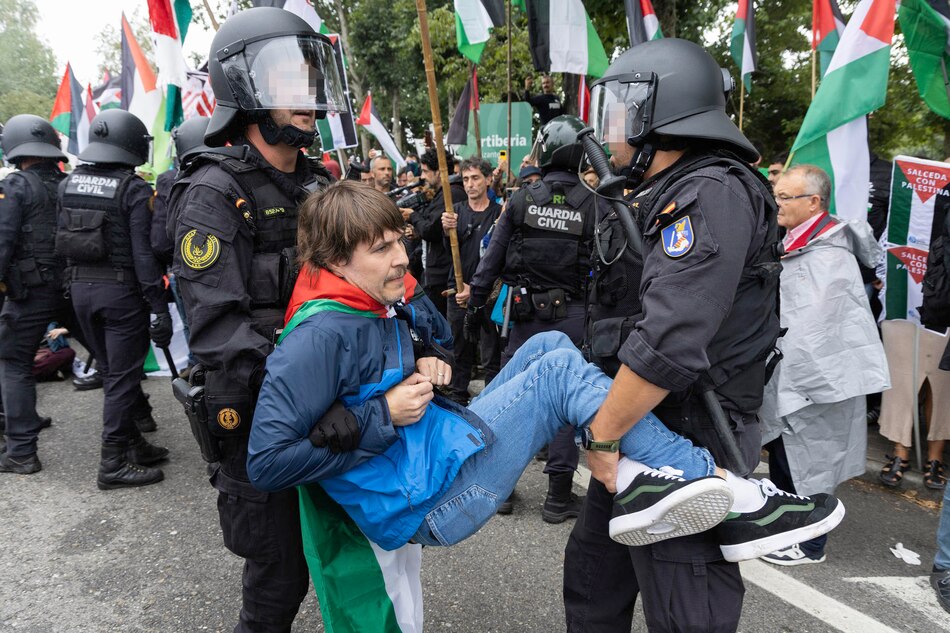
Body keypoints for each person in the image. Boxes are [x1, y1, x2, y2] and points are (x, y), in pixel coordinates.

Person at [246, 181, 843, 561]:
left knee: (551, 344)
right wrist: (381, 414)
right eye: (381, 249)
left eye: (399, 240)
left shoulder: (377, 297)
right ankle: (731, 493)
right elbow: (266, 463)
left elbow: (443, 346)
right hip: (428, 502)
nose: (403, 256)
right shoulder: (319, 335)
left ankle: (635, 478)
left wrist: (436, 359)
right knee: (558, 377)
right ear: (332, 260)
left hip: (433, 455)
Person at [562, 38, 801, 633]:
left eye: (620, 113)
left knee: (684, 601)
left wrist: (603, 433)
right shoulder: (666, 193)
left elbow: (671, 338)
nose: (609, 130)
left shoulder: (711, 191)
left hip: (689, 429)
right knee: (593, 582)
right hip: (645, 421)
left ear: (657, 118)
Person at [165, 7, 340, 631]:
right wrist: (313, 398)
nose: (308, 99)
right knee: (277, 579)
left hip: (335, 412)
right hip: (264, 418)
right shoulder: (214, 192)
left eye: (312, 80)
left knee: (344, 559)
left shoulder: (318, 188)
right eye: (290, 83)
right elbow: (221, 333)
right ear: (246, 89)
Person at [758, 165, 889, 566]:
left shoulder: (830, 252)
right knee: (787, 455)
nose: (776, 204)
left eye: (785, 197)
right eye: (776, 195)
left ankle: (811, 545)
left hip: (817, 381)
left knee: (814, 460)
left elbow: (821, 329)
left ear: (813, 202)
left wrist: (797, 378)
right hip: (794, 374)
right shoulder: (799, 242)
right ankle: (787, 529)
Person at [467, 115, 593, 522]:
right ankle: (558, 496)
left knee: (512, 396)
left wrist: (475, 308)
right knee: (563, 402)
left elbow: (490, 262)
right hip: (574, 315)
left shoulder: (520, 201)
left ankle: (501, 491)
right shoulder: (596, 203)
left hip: (524, 317)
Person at [57, 108, 170, 489]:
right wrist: (158, 307)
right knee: (123, 378)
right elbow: (143, 254)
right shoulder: (133, 189)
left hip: (80, 294)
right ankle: (112, 463)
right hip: (120, 296)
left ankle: (134, 445)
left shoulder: (68, 183)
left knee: (111, 372)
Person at [0, 114, 68, 474]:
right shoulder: (69, 184)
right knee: (109, 362)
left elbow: (3, 241)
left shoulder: (15, 186)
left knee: (14, 363)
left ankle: (22, 450)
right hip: (73, 286)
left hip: (30, 291)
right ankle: (136, 427)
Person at [441, 157, 502, 405]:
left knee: (491, 356)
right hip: (458, 293)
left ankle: (494, 402)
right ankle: (457, 400)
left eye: (475, 177)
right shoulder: (454, 213)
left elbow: (502, 258)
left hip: (488, 296)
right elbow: (447, 252)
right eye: (465, 179)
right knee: (459, 351)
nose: (470, 184)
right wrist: (446, 231)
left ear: (488, 179)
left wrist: (476, 290)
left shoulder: (499, 214)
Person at [408, 148, 464, 317]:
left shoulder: (451, 194)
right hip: (433, 271)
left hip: (442, 275)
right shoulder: (440, 194)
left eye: (425, 171)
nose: (423, 176)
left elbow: (430, 230)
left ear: (439, 172)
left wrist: (412, 216)